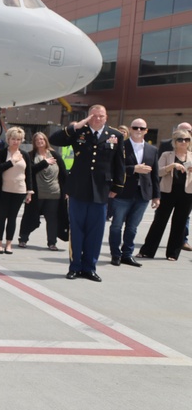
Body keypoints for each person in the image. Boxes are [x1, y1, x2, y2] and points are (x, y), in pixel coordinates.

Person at [49, 104, 125, 281]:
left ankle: (89, 267)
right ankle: (75, 267)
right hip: (78, 188)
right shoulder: (78, 132)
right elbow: (55, 139)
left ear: (106, 117)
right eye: (94, 116)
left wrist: (117, 187)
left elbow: (119, 164)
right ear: (88, 116)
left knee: (96, 231)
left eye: (101, 116)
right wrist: (75, 126)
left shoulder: (115, 135)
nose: (97, 119)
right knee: (76, 230)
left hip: (101, 190)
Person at [109, 118, 160, 266]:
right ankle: (115, 254)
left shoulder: (152, 150)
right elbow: (113, 169)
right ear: (130, 129)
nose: (138, 130)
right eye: (135, 127)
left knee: (132, 227)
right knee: (117, 225)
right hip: (123, 192)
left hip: (143, 194)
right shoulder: (121, 146)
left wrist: (156, 196)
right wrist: (133, 169)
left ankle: (127, 254)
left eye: (141, 128)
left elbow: (155, 175)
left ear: (146, 131)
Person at [138, 128, 192, 261]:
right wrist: (171, 166)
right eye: (180, 139)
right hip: (167, 192)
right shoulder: (167, 155)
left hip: (187, 194)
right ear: (175, 142)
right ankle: (147, 251)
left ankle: (173, 253)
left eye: (186, 139)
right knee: (159, 222)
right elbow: (158, 172)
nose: (183, 142)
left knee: (179, 224)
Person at [19, 131, 67, 251]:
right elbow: (30, 171)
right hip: (37, 194)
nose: (40, 141)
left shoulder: (55, 155)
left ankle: (52, 242)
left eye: (42, 139)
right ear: (34, 143)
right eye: (37, 140)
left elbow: (64, 174)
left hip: (54, 193)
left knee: (52, 219)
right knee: (30, 217)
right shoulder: (30, 156)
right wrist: (45, 163)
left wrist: (66, 191)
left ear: (46, 141)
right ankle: (23, 239)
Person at [0, 127, 33, 254]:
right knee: (2, 216)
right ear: (8, 139)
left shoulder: (25, 155)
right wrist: (12, 161)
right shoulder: (2, 153)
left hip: (19, 190)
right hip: (3, 190)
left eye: (18, 139)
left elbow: (29, 173)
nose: (16, 142)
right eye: (13, 139)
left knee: (13, 218)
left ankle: (9, 244)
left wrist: (29, 191)